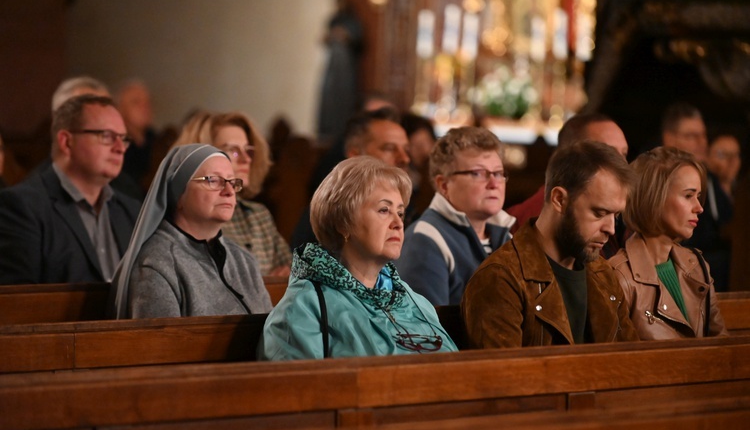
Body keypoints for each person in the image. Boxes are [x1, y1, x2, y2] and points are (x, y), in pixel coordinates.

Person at [259, 157, 458, 360]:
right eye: (384, 210)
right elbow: (299, 390)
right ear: (343, 223)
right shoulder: (302, 310)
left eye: (400, 212)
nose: (398, 223)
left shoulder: (415, 301)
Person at [462, 140, 639, 348]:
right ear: (559, 199)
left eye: (616, 216)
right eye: (599, 213)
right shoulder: (501, 277)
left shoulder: (603, 274)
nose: (610, 228)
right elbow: (505, 378)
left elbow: (632, 362)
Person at [110, 144, 273, 319]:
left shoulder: (244, 260)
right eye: (212, 180)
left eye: (232, 182)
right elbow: (161, 344)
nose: (228, 192)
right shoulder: (156, 264)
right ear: (179, 194)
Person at [0, 95, 141, 284]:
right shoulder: (21, 206)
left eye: (123, 139)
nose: (120, 148)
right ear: (66, 142)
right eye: (107, 136)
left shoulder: (132, 211)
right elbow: (20, 303)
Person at [608, 147, 728, 339]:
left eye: (698, 197)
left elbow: (722, 345)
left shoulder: (697, 265)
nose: (699, 208)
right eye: (688, 196)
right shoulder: (619, 275)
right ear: (653, 197)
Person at [396, 127, 514, 306]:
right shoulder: (425, 240)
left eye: (498, 173)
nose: (494, 184)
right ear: (444, 185)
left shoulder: (507, 237)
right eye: (477, 173)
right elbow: (425, 330)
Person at [173, 111, 292, 277]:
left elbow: (291, 274)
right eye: (233, 151)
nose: (246, 159)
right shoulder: (193, 217)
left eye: (248, 151)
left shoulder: (259, 215)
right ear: (200, 156)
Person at [291, 106, 411, 248]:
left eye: (406, 150)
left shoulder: (411, 210)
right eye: (389, 148)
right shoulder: (330, 213)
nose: (404, 158)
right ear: (355, 155)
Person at [507, 113, 628, 241]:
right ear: (573, 156)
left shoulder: (617, 218)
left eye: (624, 154)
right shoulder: (530, 221)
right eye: (610, 155)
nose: (623, 165)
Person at [662, 103, 731, 291]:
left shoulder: (710, 176)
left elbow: (727, 223)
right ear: (669, 138)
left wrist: (725, 182)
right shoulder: (657, 177)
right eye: (692, 136)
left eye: (703, 135)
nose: (702, 142)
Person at [317, 0, 363, 144]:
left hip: (345, 68)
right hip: (333, 67)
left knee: (343, 101)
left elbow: (357, 39)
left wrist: (344, 35)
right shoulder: (334, 20)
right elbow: (323, 38)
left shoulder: (351, 21)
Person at [115, 79, 158, 191]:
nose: (144, 107)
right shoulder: (116, 145)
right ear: (120, 109)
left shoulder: (159, 143)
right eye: (136, 102)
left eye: (147, 102)